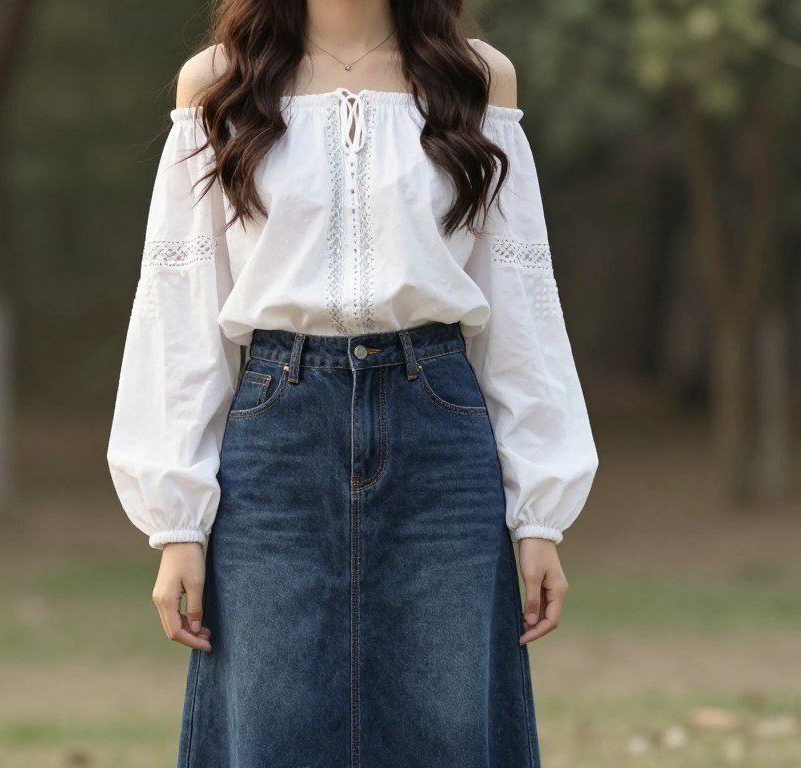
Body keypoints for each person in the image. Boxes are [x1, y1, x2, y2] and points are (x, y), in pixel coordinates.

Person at [107, 2, 598, 765]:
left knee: (447, 730)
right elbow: (181, 306)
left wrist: (541, 513)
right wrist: (177, 525)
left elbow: (520, 301)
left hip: (438, 425)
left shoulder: (475, 79)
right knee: (270, 732)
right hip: (277, 432)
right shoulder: (220, 85)